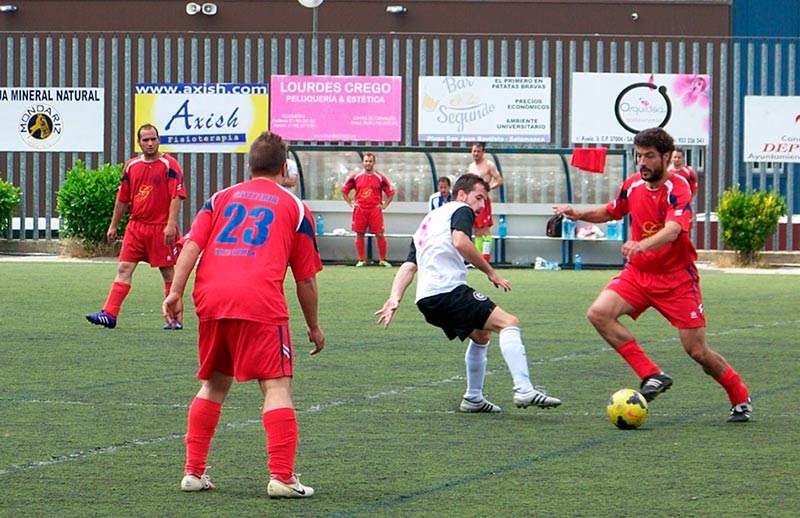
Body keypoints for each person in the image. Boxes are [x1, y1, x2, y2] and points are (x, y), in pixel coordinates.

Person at [162, 131, 325, 497]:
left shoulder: (219, 198)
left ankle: (193, 472)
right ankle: (282, 477)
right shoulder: (294, 207)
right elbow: (305, 279)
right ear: (284, 168)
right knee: (277, 385)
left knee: (214, 383)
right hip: (259, 301)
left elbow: (192, 246)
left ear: (249, 166)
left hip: (212, 299)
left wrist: (175, 292)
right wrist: (314, 326)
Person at [553, 127, 751, 423]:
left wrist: (640, 245)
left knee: (697, 351)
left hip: (677, 280)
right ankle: (652, 374)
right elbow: (612, 211)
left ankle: (739, 396)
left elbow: (673, 231)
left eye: (649, 156)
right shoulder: (632, 185)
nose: (642, 162)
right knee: (599, 313)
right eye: (639, 156)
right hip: (639, 275)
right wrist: (578, 213)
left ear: (667, 158)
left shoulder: (679, 188)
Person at [375, 174, 562, 413]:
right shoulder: (460, 209)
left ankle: (473, 398)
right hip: (448, 292)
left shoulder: (429, 220)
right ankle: (524, 389)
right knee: (509, 323)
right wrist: (491, 273)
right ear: (462, 194)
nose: (482, 205)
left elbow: (410, 265)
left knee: (481, 335)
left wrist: (395, 298)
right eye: (479, 197)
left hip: (427, 300)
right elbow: (461, 242)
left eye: (484, 200)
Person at [86, 123, 186, 330]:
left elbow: (176, 196)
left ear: (159, 140)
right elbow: (122, 198)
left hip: (160, 228)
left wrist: (170, 225)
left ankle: (175, 319)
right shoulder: (131, 166)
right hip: (136, 227)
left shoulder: (170, 165)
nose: (150, 143)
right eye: (145, 140)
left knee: (168, 273)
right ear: (138, 142)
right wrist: (113, 225)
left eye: (153, 139)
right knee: (124, 267)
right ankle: (109, 314)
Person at [340, 152, 396, 267]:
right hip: (360, 209)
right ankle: (361, 260)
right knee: (360, 234)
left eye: (370, 161)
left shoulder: (380, 177)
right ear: (363, 162)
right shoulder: (356, 176)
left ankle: (382, 260)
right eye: (366, 161)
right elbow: (344, 190)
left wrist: (385, 205)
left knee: (379, 234)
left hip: (375, 209)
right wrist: (350, 203)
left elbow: (391, 192)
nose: (368, 163)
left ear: (374, 163)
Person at [467, 142, 503, 262]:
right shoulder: (471, 166)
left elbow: (499, 180)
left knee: (484, 229)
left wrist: (488, 188)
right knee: (476, 230)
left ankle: (486, 257)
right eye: (474, 151)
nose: (476, 154)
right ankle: (478, 258)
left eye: (478, 151)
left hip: (483, 201)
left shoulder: (489, 165)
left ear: (483, 152)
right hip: (473, 202)